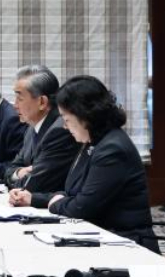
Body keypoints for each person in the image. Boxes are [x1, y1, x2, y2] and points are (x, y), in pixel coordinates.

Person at [8, 75, 156, 250]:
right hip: (99, 235)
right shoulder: (93, 141)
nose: (64, 126)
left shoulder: (112, 150)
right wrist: (33, 199)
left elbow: (81, 207)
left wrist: (55, 203)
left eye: (67, 119)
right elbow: (73, 193)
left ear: (84, 116)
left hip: (125, 244)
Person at [0, 65, 77, 192]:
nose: (14, 105)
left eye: (20, 99)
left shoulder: (60, 130)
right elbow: (11, 168)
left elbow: (34, 185)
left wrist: (15, 179)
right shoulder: (31, 127)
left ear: (42, 102)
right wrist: (18, 172)